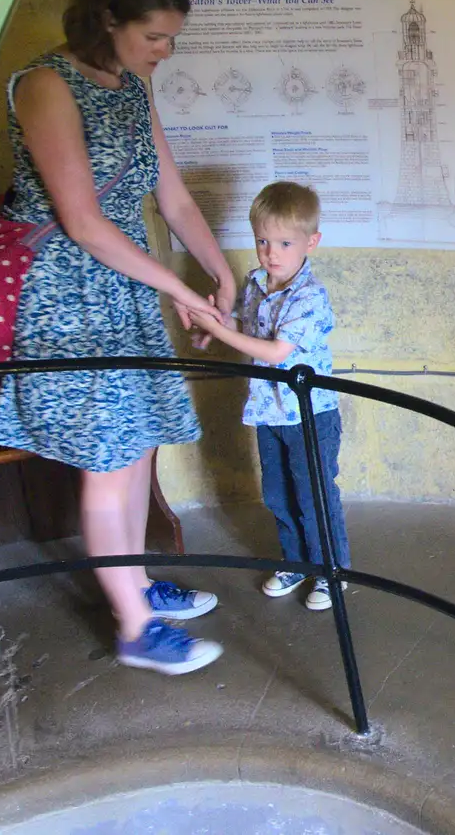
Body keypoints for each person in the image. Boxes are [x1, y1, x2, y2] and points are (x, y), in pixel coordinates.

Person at [0, 0, 231, 675]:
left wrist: (217, 272)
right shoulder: (43, 85)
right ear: (108, 20)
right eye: (155, 37)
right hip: (70, 295)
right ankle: (134, 628)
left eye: (171, 39)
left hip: (126, 285)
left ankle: (136, 585)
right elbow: (84, 222)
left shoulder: (129, 87)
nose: (166, 52)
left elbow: (173, 197)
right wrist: (181, 293)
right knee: (109, 460)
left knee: (141, 445)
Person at [189, 182, 350, 611]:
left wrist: (224, 333)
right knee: (278, 494)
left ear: (310, 243)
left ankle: (330, 570)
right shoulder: (257, 283)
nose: (271, 252)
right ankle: (296, 563)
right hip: (268, 409)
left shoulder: (311, 297)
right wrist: (213, 322)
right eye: (262, 241)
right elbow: (242, 320)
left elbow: (277, 350)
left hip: (309, 414)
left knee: (313, 493)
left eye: (283, 242)